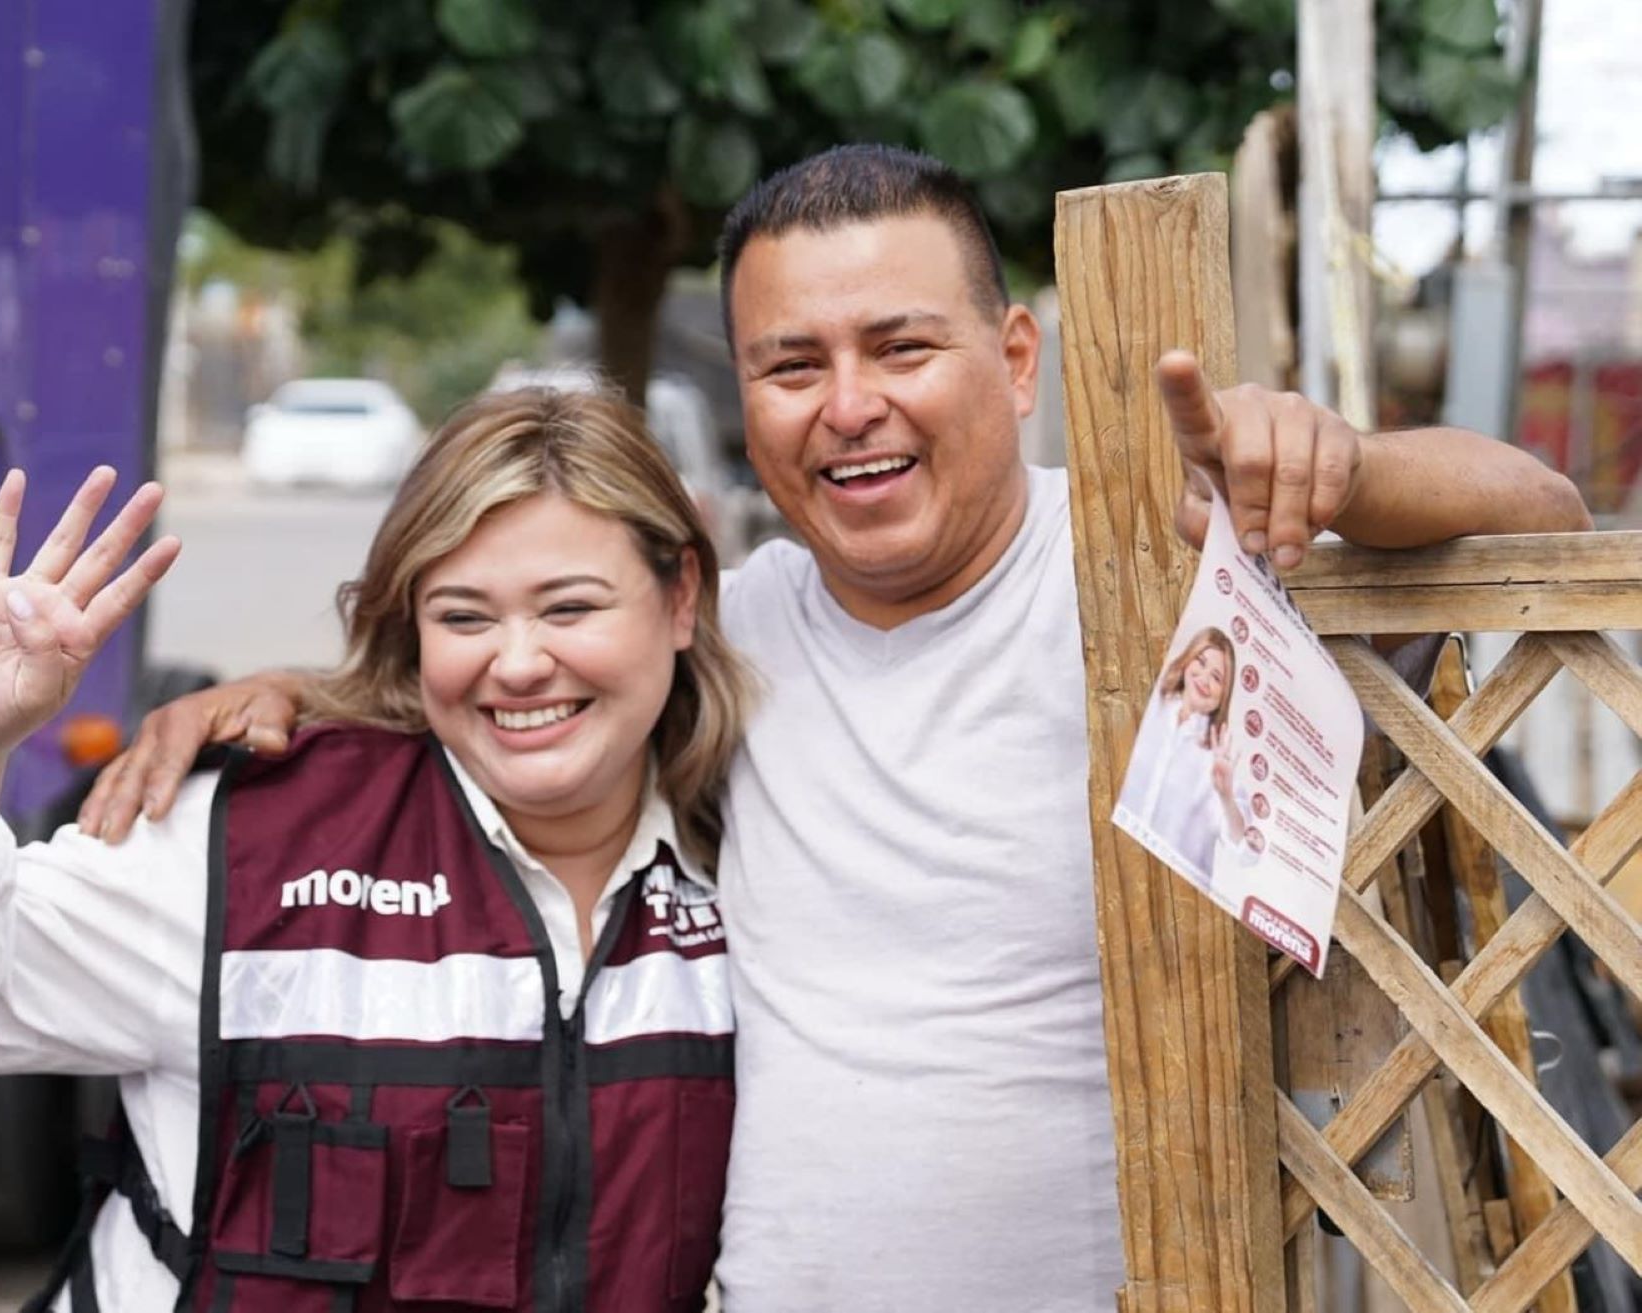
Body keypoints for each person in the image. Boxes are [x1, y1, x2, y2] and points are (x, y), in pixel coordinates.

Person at [81, 146, 1592, 1311]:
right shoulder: (726, 633)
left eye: (901, 348)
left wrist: (1346, 467)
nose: (847, 406)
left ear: (1013, 359)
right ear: (744, 398)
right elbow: (519, 660)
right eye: (792, 367)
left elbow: (1542, 517)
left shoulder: (1162, 590)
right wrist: (295, 692)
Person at [0, 388, 753, 1312]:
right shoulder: (245, 842)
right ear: (410, 629)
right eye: (463, 615)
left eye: (571, 606)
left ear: (680, 600)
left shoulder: (757, 858)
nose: (519, 660)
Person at [1118, 627, 1250, 884]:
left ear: (1225, 694)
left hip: (1174, 890)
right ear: (1188, 658)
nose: (1204, 679)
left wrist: (1226, 796)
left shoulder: (1217, 759)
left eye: (1217, 677)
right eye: (1200, 662)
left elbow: (1241, 846)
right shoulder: (1145, 706)